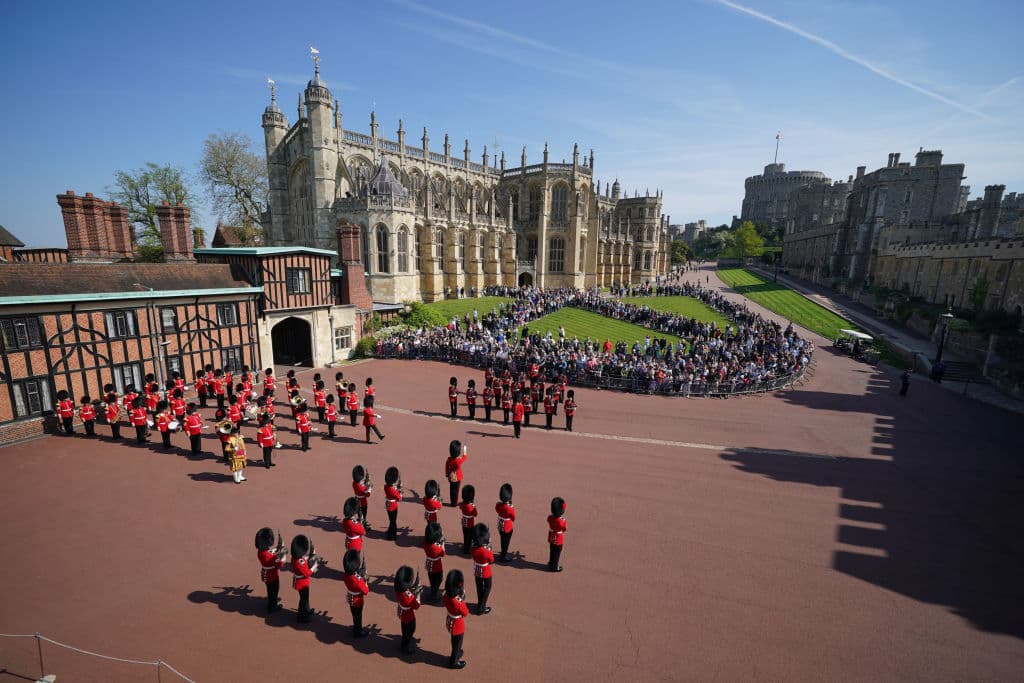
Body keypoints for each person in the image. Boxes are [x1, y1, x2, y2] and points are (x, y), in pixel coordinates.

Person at [255, 527, 288, 614]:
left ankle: (272, 602)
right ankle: (272, 606)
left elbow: (270, 552)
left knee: (270, 590)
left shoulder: (260, 551)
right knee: (274, 590)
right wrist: (282, 554)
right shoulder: (268, 556)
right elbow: (280, 564)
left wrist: (277, 548)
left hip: (266, 574)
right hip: (272, 575)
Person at [290, 534, 321, 623]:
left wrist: (310, 556)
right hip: (302, 583)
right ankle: (301, 616)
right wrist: (314, 566)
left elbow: (304, 559)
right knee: (303, 600)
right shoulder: (300, 561)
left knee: (305, 598)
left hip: (300, 581)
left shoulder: (295, 558)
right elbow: (307, 573)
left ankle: (306, 611)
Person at [443, 569, 469, 669]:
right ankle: (454, 661)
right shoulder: (457, 601)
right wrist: (462, 599)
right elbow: (465, 613)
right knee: (457, 644)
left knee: (454, 642)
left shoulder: (446, 595)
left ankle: (456, 653)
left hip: (450, 620)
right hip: (457, 625)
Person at [394, 565, 421, 654]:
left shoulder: (399, 589)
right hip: (409, 615)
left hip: (402, 613)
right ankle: (406, 647)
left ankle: (404, 642)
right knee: (410, 630)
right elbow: (416, 606)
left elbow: (407, 591)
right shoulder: (408, 596)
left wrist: (413, 590)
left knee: (404, 629)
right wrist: (417, 595)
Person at [342, 549, 370, 638]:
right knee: (358, 616)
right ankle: (358, 631)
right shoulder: (357, 579)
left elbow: (353, 575)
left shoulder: (346, 575)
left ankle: (356, 628)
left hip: (351, 598)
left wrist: (359, 572)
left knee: (354, 615)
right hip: (358, 600)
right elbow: (366, 591)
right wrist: (365, 580)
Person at [470, 524, 494, 615]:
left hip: (476, 569)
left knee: (479, 587)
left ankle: (480, 603)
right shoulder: (486, 551)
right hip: (485, 571)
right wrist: (488, 549)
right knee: (487, 588)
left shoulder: (473, 548)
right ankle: (481, 607)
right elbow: (491, 560)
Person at [423, 521, 446, 601]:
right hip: (436, 565)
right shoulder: (436, 547)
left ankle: (433, 589)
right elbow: (443, 553)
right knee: (439, 579)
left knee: (431, 578)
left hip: (429, 563)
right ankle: (434, 593)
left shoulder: (426, 543)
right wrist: (442, 543)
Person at [495, 483, 516, 562]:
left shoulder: (498, 505)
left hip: (500, 524)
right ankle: (503, 556)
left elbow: (497, 509)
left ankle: (503, 552)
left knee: (502, 539)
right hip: (507, 526)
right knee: (506, 541)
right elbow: (513, 518)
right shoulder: (510, 508)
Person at [547, 497, 567, 572]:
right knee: (557, 553)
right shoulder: (562, 521)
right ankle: (554, 566)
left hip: (551, 536)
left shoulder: (550, 518)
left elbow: (549, 520)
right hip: (558, 538)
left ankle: (551, 562)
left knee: (552, 551)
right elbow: (564, 529)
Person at [445, 439, 467, 507]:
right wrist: (465, 450)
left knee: (452, 489)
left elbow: (446, 466)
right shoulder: (458, 461)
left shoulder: (449, 459)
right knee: (456, 490)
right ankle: (455, 503)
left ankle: (452, 502)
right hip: (458, 476)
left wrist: (447, 474)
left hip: (451, 476)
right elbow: (464, 457)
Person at [384, 466, 402, 541]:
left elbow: (392, 490)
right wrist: (399, 490)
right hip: (393, 506)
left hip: (388, 504)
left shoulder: (386, 486)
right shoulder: (393, 490)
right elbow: (399, 498)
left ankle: (389, 531)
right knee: (393, 521)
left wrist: (396, 488)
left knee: (391, 520)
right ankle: (392, 535)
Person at [458, 485, 478, 556]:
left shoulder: (462, 504)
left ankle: (465, 547)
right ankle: (467, 549)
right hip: (470, 523)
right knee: (469, 536)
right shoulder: (471, 506)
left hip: (464, 522)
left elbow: (461, 506)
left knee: (465, 535)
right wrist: (473, 505)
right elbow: (475, 514)